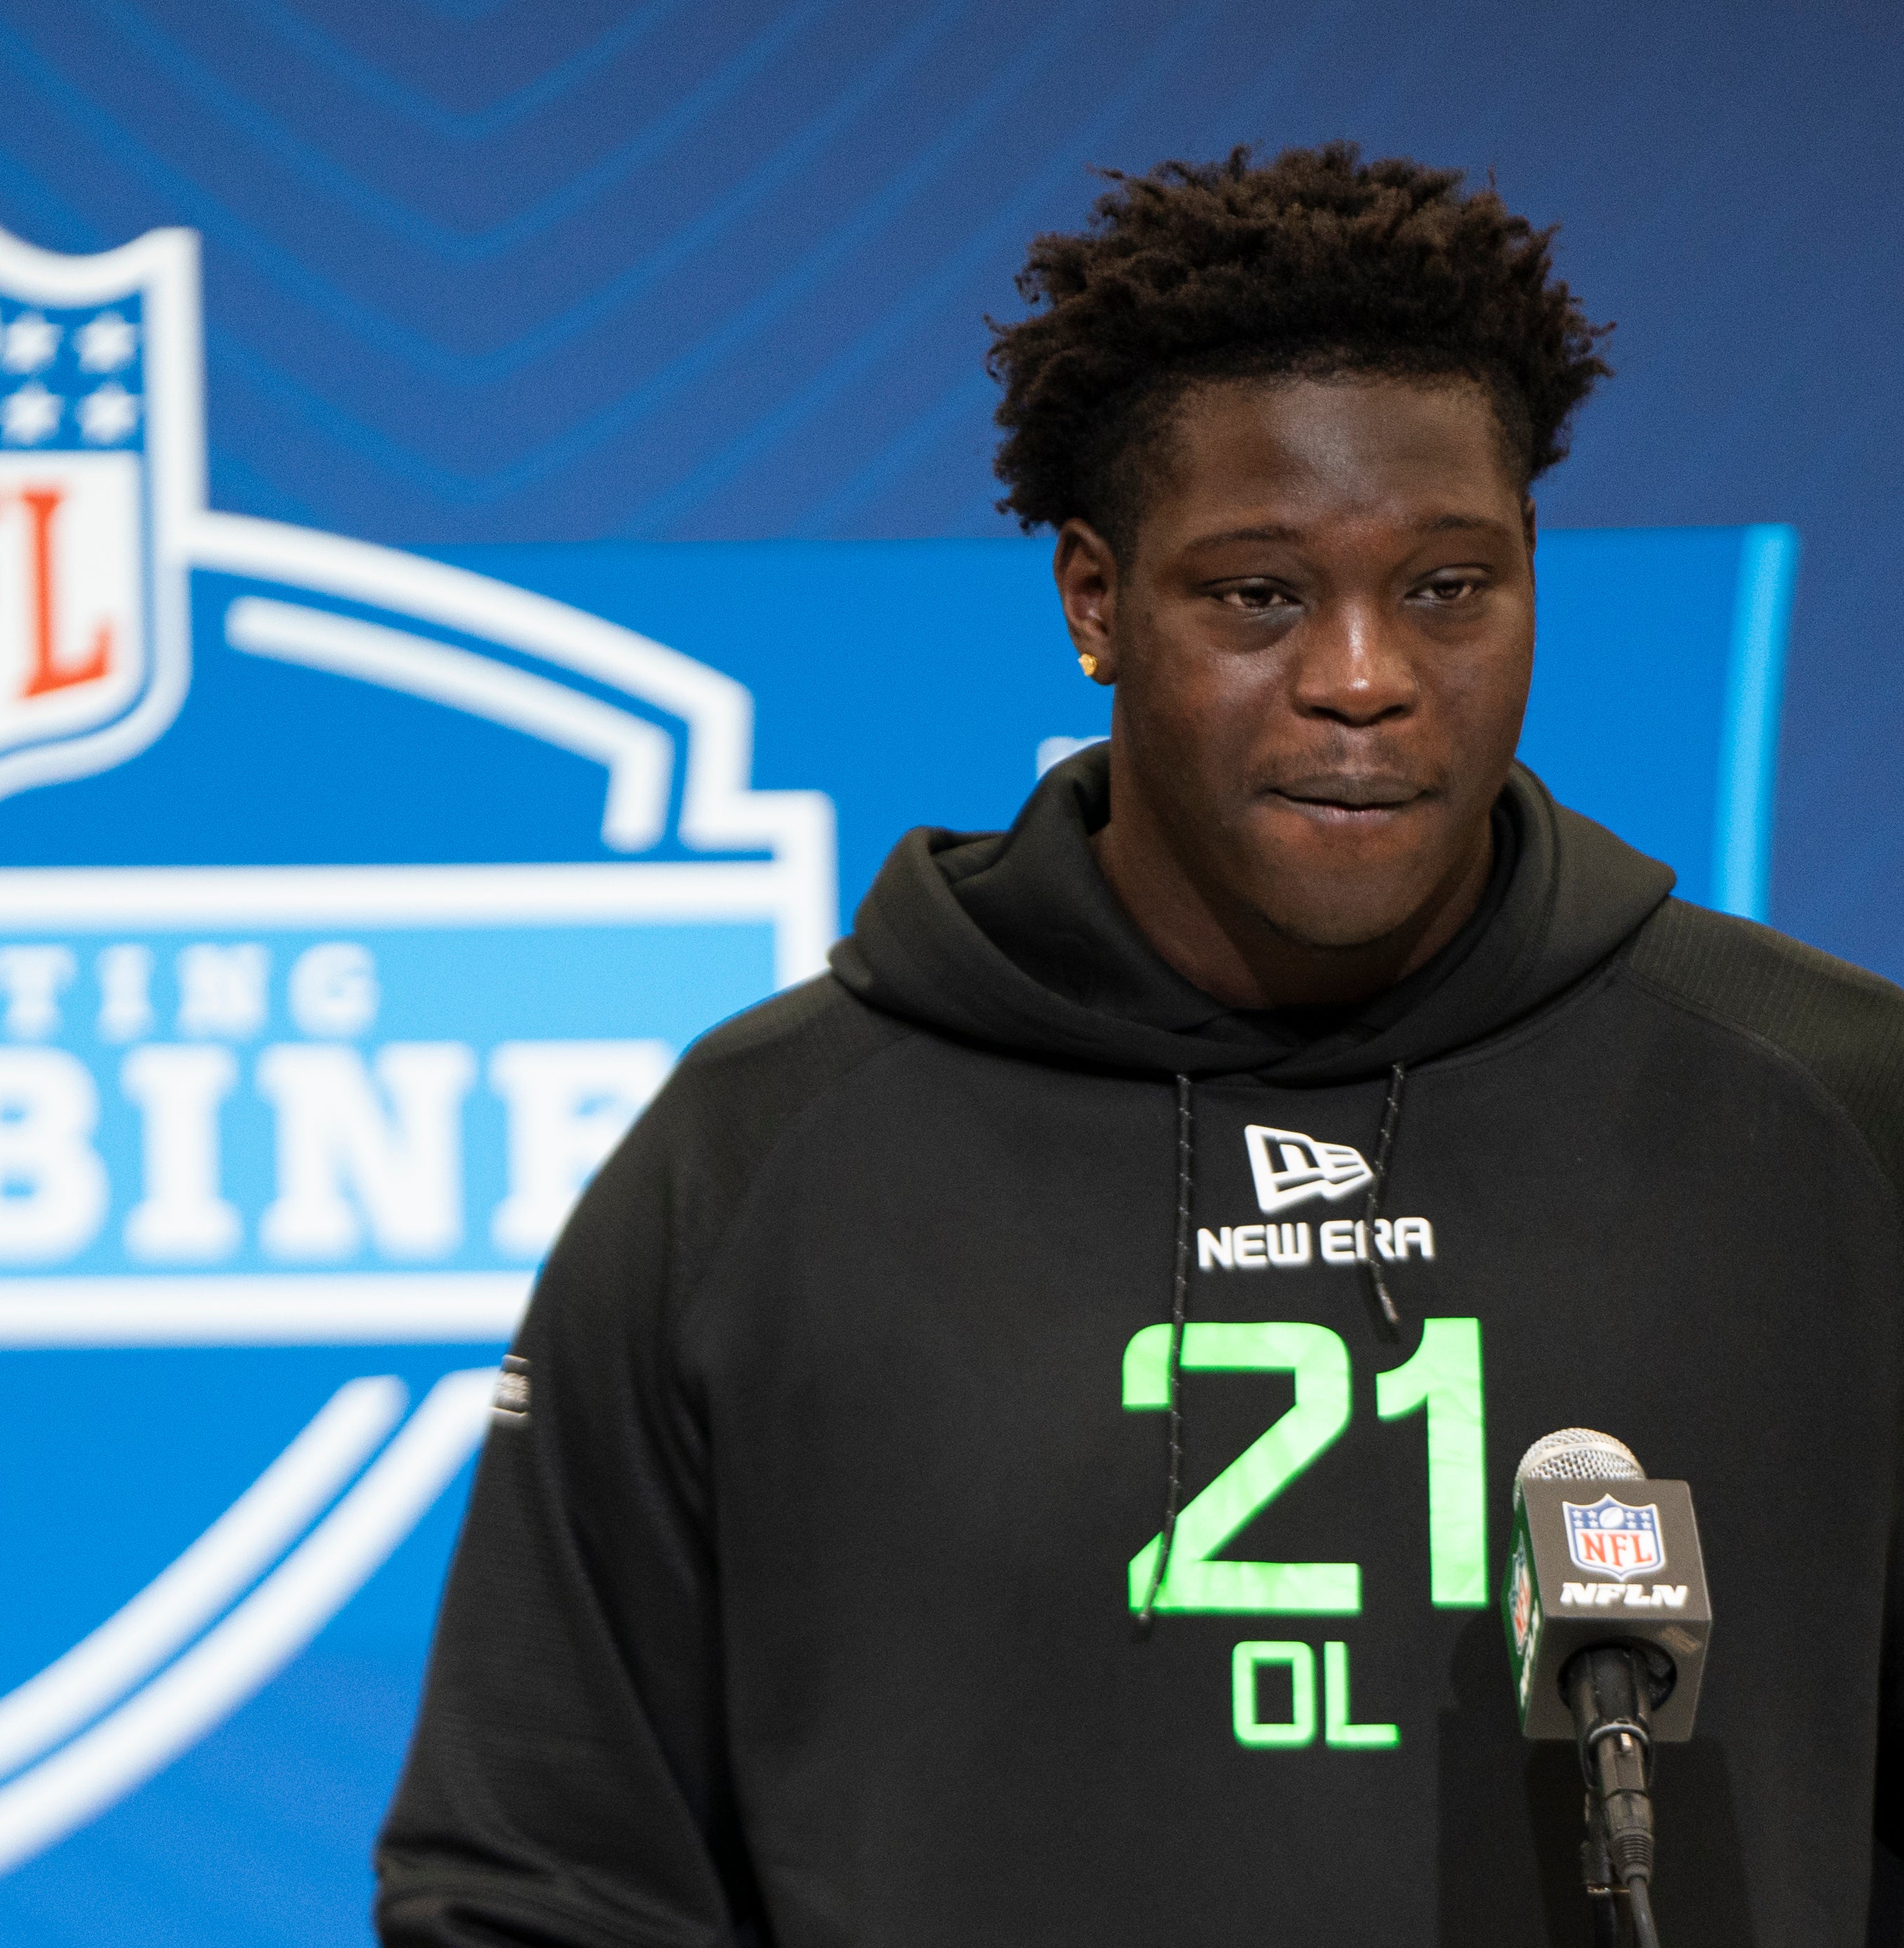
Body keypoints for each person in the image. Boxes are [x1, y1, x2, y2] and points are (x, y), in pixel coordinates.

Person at [374, 143, 1904, 1944]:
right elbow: (540, 1879)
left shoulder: (1835, 1113)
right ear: (1095, 600)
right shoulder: (763, 1154)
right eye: (1258, 594)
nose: (1361, 675)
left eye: (1446, 586)